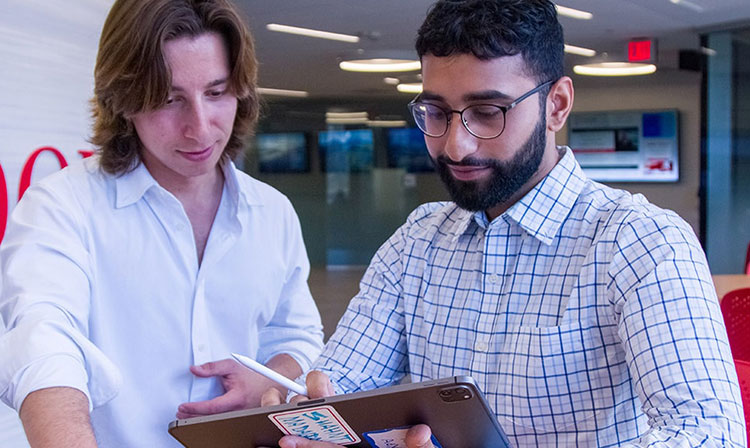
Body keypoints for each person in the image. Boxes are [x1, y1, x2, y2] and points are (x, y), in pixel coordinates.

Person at [262, 0, 746, 447]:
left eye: (487, 112)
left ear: (556, 105)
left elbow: (708, 433)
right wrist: (309, 419)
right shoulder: (418, 241)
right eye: (436, 113)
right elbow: (339, 384)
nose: (456, 146)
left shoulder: (638, 242)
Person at [0, 0, 324, 446]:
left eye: (216, 92)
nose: (200, 127)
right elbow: (44, 343)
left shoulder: (272, 212)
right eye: (169, 100)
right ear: (123, 101)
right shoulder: (61, 207)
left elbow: (296, 333)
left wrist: (272, 377)